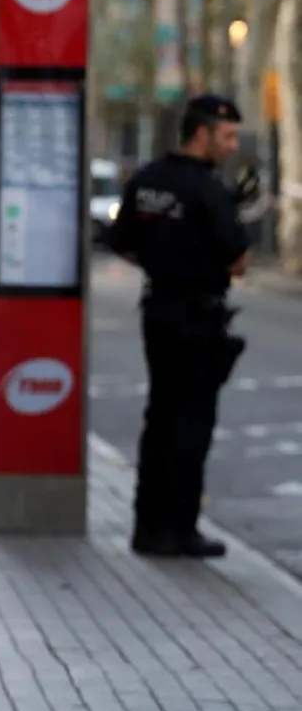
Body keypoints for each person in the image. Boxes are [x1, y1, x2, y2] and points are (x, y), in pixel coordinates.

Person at [108, 94, 253, 560]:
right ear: (202, 133)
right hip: (198, 317)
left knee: (160, 418)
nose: (232, 146)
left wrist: (164, 261)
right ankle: (180, 528)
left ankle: (147, 526)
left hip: (159, 310)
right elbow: (240, 262)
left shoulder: (148, 179)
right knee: (192, 423)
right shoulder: (208, 190)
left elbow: (123, 243)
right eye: (226, 136)